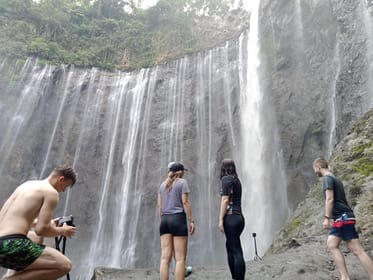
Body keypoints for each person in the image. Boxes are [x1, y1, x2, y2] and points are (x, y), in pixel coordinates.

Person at [0, 164, 77, 279]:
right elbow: (42, 230)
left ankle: (12, 274)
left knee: (36, 238)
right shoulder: (51, 193)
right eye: (65, 187)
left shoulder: (27, 185)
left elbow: (20, 217)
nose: (63, 191)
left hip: (3, 242)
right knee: (65, 265)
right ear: (61, 179)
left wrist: (50, 223)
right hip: (12, 245)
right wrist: (63, 231)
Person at [313, 158, 373, 280]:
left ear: (318, 166)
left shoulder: (327, 179)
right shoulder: (335, 178)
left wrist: (326, 218)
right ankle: (344, 277)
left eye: (314, 168)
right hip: (341, 218)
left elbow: (330, 199)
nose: (314, 171)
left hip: (343, 217)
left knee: (357, 250)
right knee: (332, 244)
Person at [158, 162, 195, 280]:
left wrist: (163, 220)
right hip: (178, 219)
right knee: (180, 259)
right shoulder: (182, 182)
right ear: (180, 172)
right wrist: (192, 220)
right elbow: (185, 202)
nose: (184, 173)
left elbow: (160, 206)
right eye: (183, 171)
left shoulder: (162, 185)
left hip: (164, 220)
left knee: (165, 258)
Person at [218, 158, 245, 280]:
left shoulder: (226, 179)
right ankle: (236, 277)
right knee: (231, 247)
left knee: (235, 251)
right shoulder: (236, 180)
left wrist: (220, 220)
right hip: (239, 218)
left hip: (231, 218)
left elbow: (225, 200)